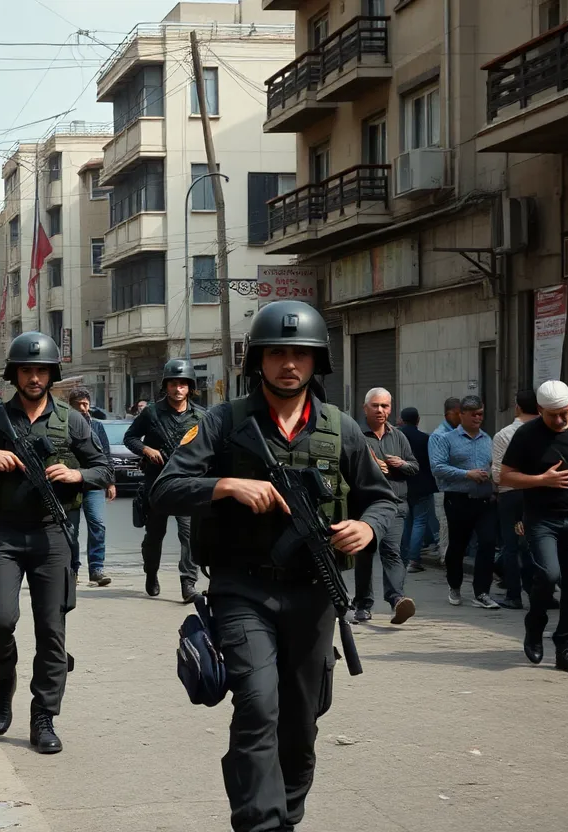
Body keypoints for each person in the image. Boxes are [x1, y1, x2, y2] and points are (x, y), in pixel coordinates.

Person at [149, 301, 396, 832]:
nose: (289, 364)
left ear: (316, 363)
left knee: (301, 723)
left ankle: (286, 815)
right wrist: (225, 485)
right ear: (257, 360)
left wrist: (368, 527)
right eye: (277, 353)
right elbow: (164, 488)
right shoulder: (222, 423)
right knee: (258, 707)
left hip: (312, 594)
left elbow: (383, 500)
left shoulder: (341, 429)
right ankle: (259, 823)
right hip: (243, 591)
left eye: (300, 355)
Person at [0, 332, 113, 755]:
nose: (34, 377)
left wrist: (77, 476)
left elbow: (104, 469)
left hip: (52, 536)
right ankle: (3, 683)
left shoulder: (72, 421)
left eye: (41, 370)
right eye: (26, 370)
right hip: (3, 534)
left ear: (52, 374)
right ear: (14, 374)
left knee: (52, 630)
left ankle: (43, 716)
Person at [501, 381, 568, 674]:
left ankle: (566, 649)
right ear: (539, 410)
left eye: (564, 413)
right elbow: (505, 476)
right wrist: (541, 480)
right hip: (541, 520)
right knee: (549, 574)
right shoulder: (526, 435)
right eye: (552, 415)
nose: (560, 420)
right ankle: (535, 626)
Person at [124, 358, 205, 601]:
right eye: (173, 384)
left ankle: (188, 583)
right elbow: (131, 438)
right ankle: (151, 572)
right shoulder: (151, 412)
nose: (177, 389)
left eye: (182, 384)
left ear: (190, 387)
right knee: (154, 536)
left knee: (189, 536)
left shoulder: (200, 417)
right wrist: (146, 450)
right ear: (166, 386)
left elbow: (209, 448)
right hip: (157, 484)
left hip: (186, 484)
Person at [429, 395, 500, 609]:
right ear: (462, 415)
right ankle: (455, 585)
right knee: (458, 546)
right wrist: (466, 474)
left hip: (485, 501)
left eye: (481, 414)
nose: (478, 418)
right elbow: (437, 468)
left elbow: (494, 465)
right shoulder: (447, 439)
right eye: (474, 414)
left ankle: (482, 592)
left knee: (487, 544)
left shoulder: (488, 439)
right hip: (458, 500)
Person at [355, 388, 417, 624]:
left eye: (385, 406)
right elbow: (347, 470)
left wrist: (400, 464)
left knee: (393, 553)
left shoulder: (399, 436)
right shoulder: (357, 436)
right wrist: (371, 468)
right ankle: (363, 604)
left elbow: (414, 467)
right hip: (367, 507)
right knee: (366, 555)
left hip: (396, 505)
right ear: (365, 408)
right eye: (375, 406)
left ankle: (397, 600)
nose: (380, 410)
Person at [491, 390, 539, 609]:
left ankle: (513, 595)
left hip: (510, 494)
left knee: (511, 546)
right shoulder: (546, 432)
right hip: (538, 493)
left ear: (517, 407)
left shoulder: (503, 434)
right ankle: (539, 593)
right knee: (535, 544)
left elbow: (497, 473)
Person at [67, 387, 115, 586]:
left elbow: (105, 455)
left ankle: (96, 569)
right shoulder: (64, 426)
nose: (82, 408)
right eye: (78, 405)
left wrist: (110, 482)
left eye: (85, 404)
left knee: (97, 524)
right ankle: (72, 570)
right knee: (71, 529)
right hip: (70, 484)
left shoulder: (96, 426)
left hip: (94, 483)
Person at [397, 407, 436, 573]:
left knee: (407, 522)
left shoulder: (395, 438)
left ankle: (403, 558)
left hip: (402, 485)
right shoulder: (425, 439)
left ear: (401, 420)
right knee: (419, 521)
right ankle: (413, 560)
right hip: (422, 486)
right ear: (418, 420)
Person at [427, 397, 463, 559]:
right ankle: (446, 559)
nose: (461, 417)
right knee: (446, 526)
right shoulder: (439, 436)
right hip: (445, 489)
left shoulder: (461, 433)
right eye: (458, 414)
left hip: (463, 488)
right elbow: (437, 468)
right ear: (448, 414)